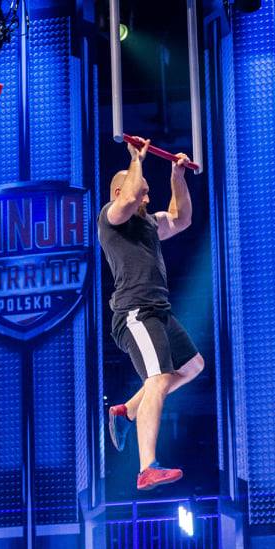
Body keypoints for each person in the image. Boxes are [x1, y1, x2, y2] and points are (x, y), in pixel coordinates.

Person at [98, 137, 204, 491]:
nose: (146, 198)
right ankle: (146, 467)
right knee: (158, 380)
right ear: (119, 191)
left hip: (158, 310)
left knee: (193, 366)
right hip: (135, 312)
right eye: (144, 193)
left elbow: (181, 218)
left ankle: (127, 410)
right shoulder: (111, 218)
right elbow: (129, 198)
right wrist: (136, 159)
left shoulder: (148, 225)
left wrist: (177, 176)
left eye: (147, 193)